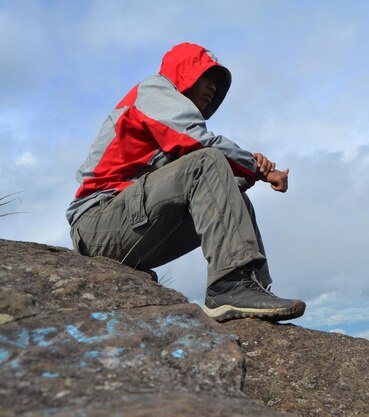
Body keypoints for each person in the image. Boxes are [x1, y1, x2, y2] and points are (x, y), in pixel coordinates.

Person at [66, 42, 305, 322]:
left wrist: (247, 168)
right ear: (185, 72)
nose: (213, 88)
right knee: (208, 160)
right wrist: (259, 170)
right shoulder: (154, 90)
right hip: (97, 223)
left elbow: (214, 182)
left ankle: (253, 288)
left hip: (131, 228)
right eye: (207, 77)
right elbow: (201, 146)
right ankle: (231, 285)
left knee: (231, 191)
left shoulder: (172, 128)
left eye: (216, 83)